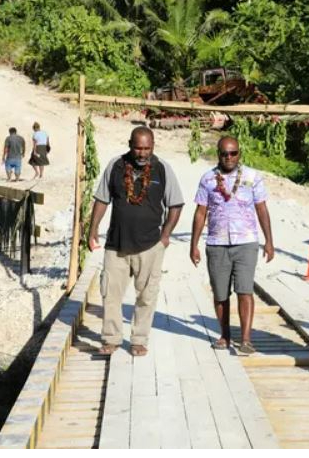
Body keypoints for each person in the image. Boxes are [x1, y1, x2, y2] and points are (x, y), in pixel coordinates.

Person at [88, 126, 184, 357]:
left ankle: (139, 339)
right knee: (110, 293)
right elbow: (102, 199)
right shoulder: (116, 165)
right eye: (138, 148)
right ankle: (111, 339)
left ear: (153, 146)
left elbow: (176, 204)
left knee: (146, 295)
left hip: (150, 244)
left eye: (147, 148)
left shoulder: (162, 169)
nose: (142, 153)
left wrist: (165, 235)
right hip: (116, 243)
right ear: (130, 144)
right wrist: (93, 231)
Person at [190, 136, 274, 355]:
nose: (229, 158)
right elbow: (200, 212)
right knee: (220, 293)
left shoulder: (252, 177)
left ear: (239, 154)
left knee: (245, 290)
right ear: (218, 154)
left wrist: (269, 242)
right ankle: (225, 335)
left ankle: (246, 339)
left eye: (233, 153)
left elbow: (262, 209)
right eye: (224, 154)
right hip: (216, 242)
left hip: (246, 241)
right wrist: (194, 244)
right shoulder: (207, 179)